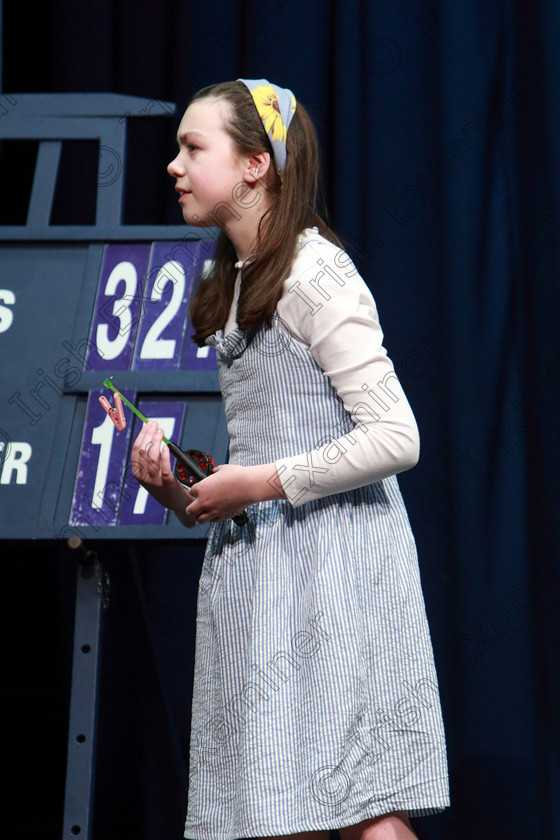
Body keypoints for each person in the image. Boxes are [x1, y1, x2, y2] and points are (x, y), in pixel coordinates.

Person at [131, 79, 450, 840]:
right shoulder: (226, 285)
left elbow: (396, 436)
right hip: (266, 574)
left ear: (254, 166)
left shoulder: (316, 273)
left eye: (192, 148)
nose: (174, 165)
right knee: (279, 810)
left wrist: (261, 482)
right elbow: (248, 470)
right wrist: (178, 492)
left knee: (363, 807)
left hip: (336, 567)